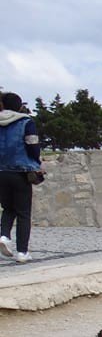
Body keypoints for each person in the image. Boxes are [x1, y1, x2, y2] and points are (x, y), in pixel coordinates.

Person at [0, 92, 42, 262]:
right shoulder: (26, 122)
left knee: (8, 208)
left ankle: (4, 236)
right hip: (21, 171)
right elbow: (32, 145)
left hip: (1, 172)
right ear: (19, 106)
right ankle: (22, 253)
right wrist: (36, 161)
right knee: (23, 212)